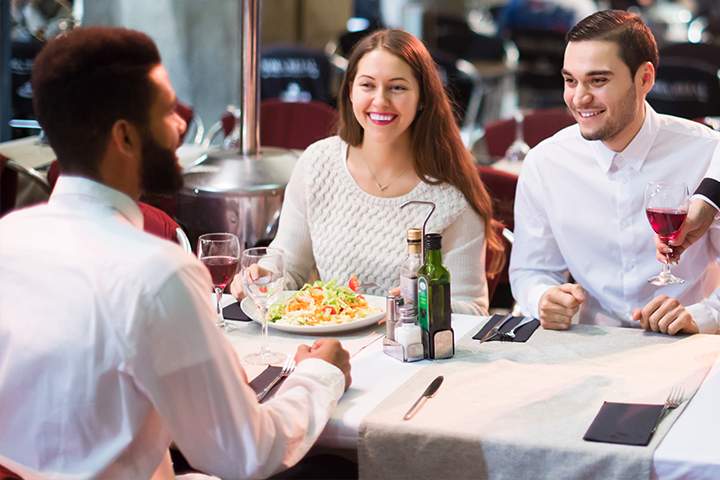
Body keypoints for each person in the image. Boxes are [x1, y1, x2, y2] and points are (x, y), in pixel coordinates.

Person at [0, 27, 352, 479]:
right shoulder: (157, 273)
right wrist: (320, 376)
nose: (181, 125)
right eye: (167, 111)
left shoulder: (9, 237)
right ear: (125, 137)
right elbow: (247, 453)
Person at [231, 29, 504, 316]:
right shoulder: (317, 163)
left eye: (397, 88)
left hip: (412, 353)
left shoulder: (452, 194)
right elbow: (289, 266)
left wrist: (421, 305)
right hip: (328, 345)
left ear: (422, 97)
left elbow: (472, 309)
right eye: (367, 85)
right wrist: (262, 276)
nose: (380, 101)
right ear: (349, 91)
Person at [509, 9, 720, 335]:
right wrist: (542, 298)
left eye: (598, 80)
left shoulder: (707, 154)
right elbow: (531, 269)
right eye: (570, 80)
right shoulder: (545, 163)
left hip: (687, 348)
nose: (579, 98)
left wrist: (701, 316)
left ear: (645, 79)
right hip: (587, 348)